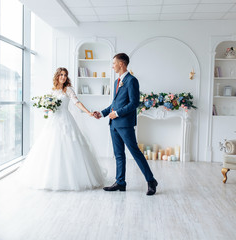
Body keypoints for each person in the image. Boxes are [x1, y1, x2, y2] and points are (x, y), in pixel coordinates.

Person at [18, 67, 105, 191]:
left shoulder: (68, 90)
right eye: (61, 75)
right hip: (53, 120)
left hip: (65, 119)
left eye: (65, 75)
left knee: (70, 145)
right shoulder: (53, 90)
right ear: (57, 76)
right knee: (50, 146)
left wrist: (88, 112)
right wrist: (46, 108)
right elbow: (51, 107)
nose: (63, 77)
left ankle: (72, 178)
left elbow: (77, 102)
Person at [94, 53, 158, 196]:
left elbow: (134, 103)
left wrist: (117, 113)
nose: (112, 66)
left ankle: (151, 181)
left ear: (122, 64)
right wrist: (102, 113)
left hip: (125, 124)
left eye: (114, 63)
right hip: (113, 124)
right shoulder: (117, 82)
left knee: (135, 152)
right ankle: (120, 182)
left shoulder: (132, 80)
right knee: (118, 154)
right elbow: (115, 104)